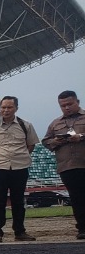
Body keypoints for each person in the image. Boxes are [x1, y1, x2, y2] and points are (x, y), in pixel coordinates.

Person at [0, 96, 39, 242]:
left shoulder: (26, 126)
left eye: (9, 107)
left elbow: (31, 144)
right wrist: (1, 158)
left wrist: (20, 157)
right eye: (3, 107)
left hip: (20, 167)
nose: (6, 110)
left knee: (18, 201)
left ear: (16, 108)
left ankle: (20, 232)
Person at [42, 90, 85, 239]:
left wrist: (81, 137)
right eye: (63, 105)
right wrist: (56, 141)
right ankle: (82, 228)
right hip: (67, 166)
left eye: (69, 104)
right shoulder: (56, 123)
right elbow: (46, 141)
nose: (66, 108)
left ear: (77, 102)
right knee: (76, 198)